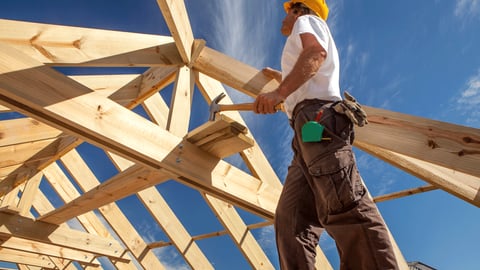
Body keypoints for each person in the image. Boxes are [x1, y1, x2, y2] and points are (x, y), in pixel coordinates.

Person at [253, 1, 400, 269]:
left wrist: (279, 92)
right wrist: (280, 78)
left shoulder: (305, 21)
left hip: (317, 122)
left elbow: (316, 54)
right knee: (290, 221)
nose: (284, 16)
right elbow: (309, 69)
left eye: (289, 10)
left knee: (344, 206)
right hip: (305, 132)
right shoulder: (303, 31)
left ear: (299, 9)